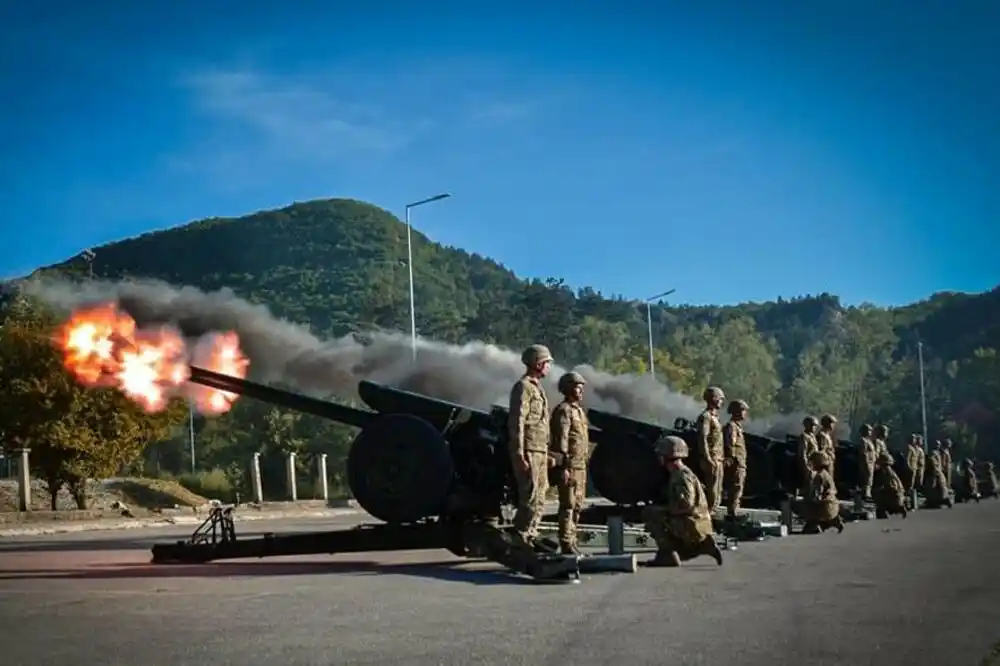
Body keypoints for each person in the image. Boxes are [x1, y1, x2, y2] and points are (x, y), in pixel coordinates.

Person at [640, 435, 723, 568]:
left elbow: (686, 504)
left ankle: (669, 555)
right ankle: (702, 547)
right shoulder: (681, 473)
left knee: (650, 514)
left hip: (692, 523)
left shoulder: (681, 476)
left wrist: (665, 509)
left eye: (661, 454)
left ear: (666, 456)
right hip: (696, 521)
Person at [507, 344, 553, 550]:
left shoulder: (538, 388)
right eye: (547, 363)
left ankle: (531, 533)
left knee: (540, 495)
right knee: (530, 496)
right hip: (529, 450)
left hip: (540, 450)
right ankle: (521, 536)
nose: (549, 367)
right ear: (537, 363)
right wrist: (519, 454)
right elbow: (517, 421)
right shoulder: (523, 387)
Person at [549, 371, 590, 555]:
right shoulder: (564, 410)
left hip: (580, 466)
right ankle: (566, 543)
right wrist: (563, 467)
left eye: (581, 386)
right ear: (567, 388)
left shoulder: (579, 411)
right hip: (570, 466)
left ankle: (572, 542)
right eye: (576, 386)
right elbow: (561, 440)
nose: (580, 390)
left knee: (578, 506)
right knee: (568, 505)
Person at [694, 386, 725, 512]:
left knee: (718, 489)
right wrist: (707, 458)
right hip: (711, 458)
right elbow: (702, 438)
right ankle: (708, 513)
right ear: (713, 399)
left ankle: (712, 511)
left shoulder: (715, 417)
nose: (722, 402)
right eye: (720, 398)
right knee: (711, 489)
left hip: (718, 458)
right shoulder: (706, 417)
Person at [799, 450, 845, 534]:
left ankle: (815, 525)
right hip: (833, 505)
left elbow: (817, 495)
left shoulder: (818, 476)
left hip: (824, 507)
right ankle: (834, 521)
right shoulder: (826, 474)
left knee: (807, 505)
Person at [722, 399, 749, 518]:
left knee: (738, 487)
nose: (745, 413)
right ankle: (732, 513)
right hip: (736, 463)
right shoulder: (732, 426)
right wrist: (733, 459)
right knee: (736, 487)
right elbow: (730, 444)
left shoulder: (737, 427)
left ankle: (734, 510)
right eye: (743, 410)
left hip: (740, 462)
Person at [872, 452, 907, 519]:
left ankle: (887, 512)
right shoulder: (890, 470)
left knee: (882, 501)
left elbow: (890, 482)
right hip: (897, 490)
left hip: (893, 490)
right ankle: (899, 508)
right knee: (892, 503)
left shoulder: (886, 470)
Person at [797, 416, 820, 497]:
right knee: (808, 487)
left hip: (814, 465)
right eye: (812, 425)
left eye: (815, 425)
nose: (814, 427)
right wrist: (806, 466)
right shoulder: (804, 436)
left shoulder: (812, 437)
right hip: (808, 465)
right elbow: (802, 452)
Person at [857, 424, 877, 500]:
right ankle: (865, 495)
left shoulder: (869, 441)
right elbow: (863, 452)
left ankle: (867, 494)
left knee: (869, 479)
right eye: (869, 430)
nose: (870, 432)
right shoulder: (863, 440)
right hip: (866, 463)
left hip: (871, 462)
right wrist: (866, 463)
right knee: (867, 479)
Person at [817, 414, 838, 479]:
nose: (833, 425)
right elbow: (822, 451)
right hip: (825, 463)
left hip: (829, 461)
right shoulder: (822, 435)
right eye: (832, 423)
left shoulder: (827, 435)